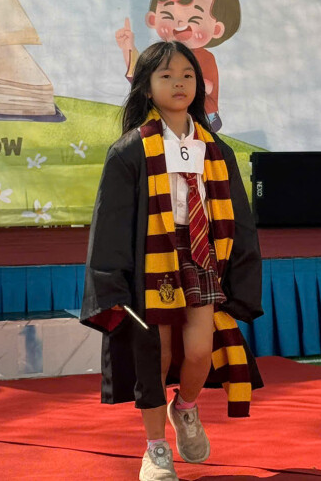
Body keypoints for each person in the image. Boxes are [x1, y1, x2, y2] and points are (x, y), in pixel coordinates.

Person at [81, 41, 263, 481]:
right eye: (166, 76)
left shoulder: (217, 150)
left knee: (200, 351)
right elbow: (111, 220)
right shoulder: (129, 150)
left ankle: (185, 407)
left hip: (201, 254)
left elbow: (239, 217)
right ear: (146, 88)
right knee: (154, 354)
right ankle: (155, 448)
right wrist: (111, 283)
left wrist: (241, 274)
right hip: (152, 257)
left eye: (187, 75)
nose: (179, 83)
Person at [116, 0, 241, 132]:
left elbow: (206, 87)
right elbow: (137, 77)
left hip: (204, 116)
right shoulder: (158, 57)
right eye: (166, 76)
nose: (181, 24)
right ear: (153, 19)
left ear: (217, 29)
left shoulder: (205, 58)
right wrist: (128, 48)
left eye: (195, 19)